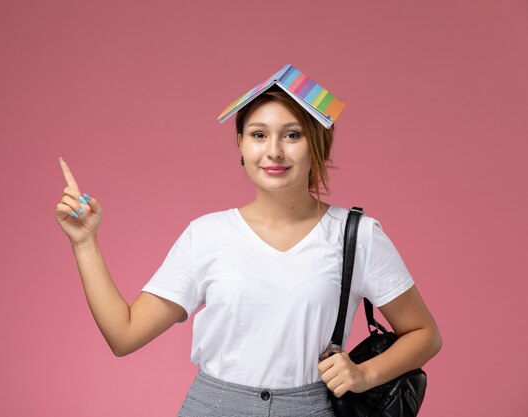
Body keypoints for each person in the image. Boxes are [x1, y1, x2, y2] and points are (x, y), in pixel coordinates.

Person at [55, 74, 442, 417]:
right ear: (240, 144)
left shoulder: (357, 235)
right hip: (213, 407)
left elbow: (425, 334)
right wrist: (85, 242)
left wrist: (364, 374)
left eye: (292, 134)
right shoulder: (207, 234)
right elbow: (123, 336)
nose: (274, 150)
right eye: (259, 134)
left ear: (318, 144)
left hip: (311, 407)